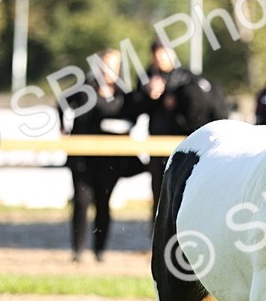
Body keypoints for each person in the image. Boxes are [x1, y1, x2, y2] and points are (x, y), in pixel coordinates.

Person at [131, 40, 228, 221]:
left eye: (164, 53)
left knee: (182, 190)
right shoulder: (146, 78)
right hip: (157, 144)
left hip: (182, 143)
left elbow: (197, 107)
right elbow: (135, 108)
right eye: (157, 55)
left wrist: (176, 99)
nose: (161, 59)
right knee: (159, 191)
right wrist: (149, 95)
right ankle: (157, 235)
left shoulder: (186, 76)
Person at [60, 48, 133, 263]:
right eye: (105, 64)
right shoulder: (85, 89)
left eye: (114, 65)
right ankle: (78, 250)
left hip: (110, 160)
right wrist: (63, 129)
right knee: (81, 201)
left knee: (103, 203)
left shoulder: (123, 93)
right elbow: (62, 103)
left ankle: (100, 251)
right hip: (82, 158)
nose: (109, 70)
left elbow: (133, 116)